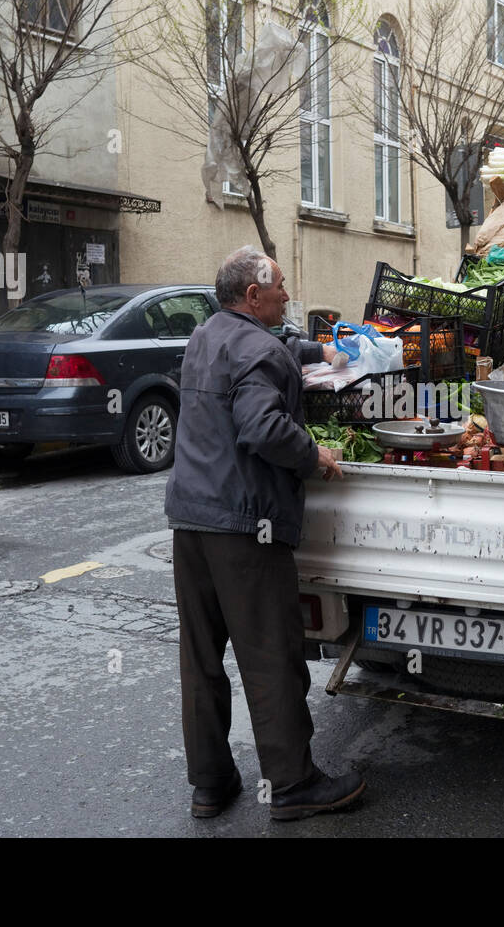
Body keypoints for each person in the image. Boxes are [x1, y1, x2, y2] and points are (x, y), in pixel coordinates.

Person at [164, 245, 365, 820]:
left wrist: (319, 349)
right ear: (253, 296)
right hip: (245, 527)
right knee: (271, 655)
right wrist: (314, 455)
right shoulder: (261, 350)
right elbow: (263, 427)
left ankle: (210, 784)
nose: (287, 294)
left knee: (201, 658)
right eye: (279, 287)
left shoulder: (205, 337)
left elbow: (263, 354)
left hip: (191, 522)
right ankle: (293, 783)